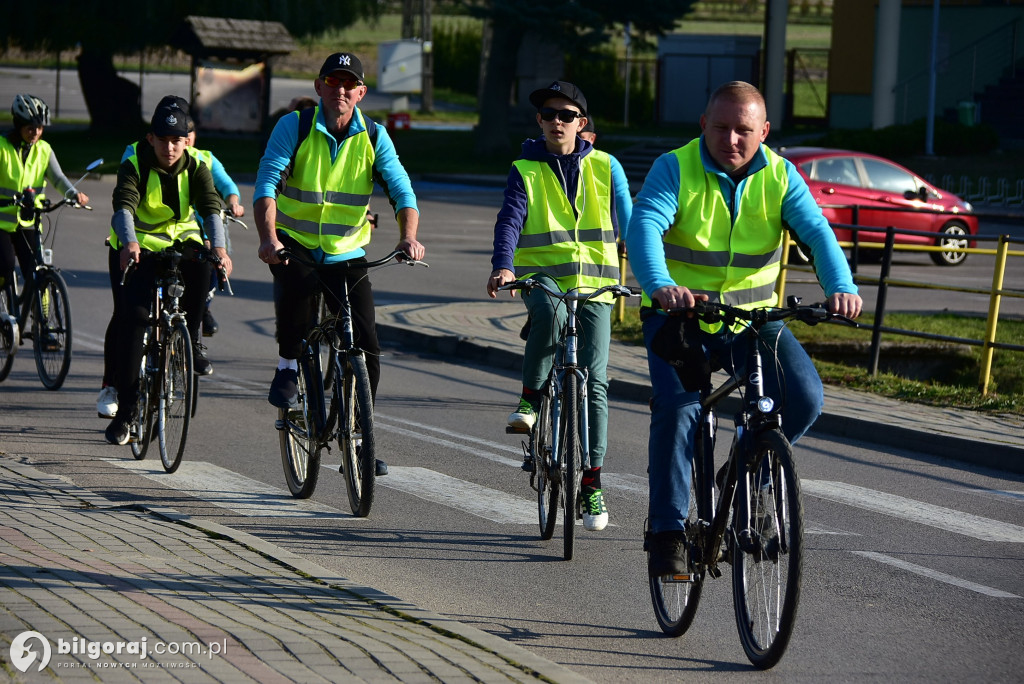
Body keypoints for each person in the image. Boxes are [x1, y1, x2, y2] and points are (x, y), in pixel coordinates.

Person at [625, 81, 863, 576]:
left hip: (750, 320)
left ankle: (747, 469)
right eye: (721, 128)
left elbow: (817, 231)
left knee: (804, 398)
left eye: (744, 131)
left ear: (765, 132)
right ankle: (667, 531)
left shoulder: (780, 174)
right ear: (703, 125)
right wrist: (661, 284)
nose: (731, 139)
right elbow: (645, 225)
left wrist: (841, 285)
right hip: (680, 316)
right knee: (680, 407)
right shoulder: (676, 166)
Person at [254, 52, 424, 476]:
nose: (341, 91)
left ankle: (359, 437)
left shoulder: (375, 136)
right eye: (333, 82)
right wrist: (268, 239)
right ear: (319, 87)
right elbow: (267, 183)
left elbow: (402, 191)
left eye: (350, 85)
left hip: (347, 252)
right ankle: (288, 364)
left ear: (361, 93)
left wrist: (408, 238)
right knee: (297, 296)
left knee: (367, 344)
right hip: (294, 245)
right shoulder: (292, 127)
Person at [486, 81, 628, 532]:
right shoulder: (524, 168)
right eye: (549, 114)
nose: (556, 122)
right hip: (542, 279)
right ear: (540, 121)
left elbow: (630, 220)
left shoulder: (607, 167)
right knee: (547, 315)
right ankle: (529, 402)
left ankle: (591, 483)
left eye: (566, 115)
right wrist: (504, 266)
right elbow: (510, 218)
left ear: (581, 124)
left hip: (598, 287)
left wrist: (656, 276)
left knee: (597, 380)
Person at [96, 96, 242, 418]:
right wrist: (130, 242)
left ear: (187, 140)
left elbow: (210, 208)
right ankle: (125, 405)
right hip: (138, 245)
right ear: (151, 138)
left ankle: (187, 342)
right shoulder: (135, 160)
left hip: (180, 241)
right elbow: (123, 207)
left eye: (177, 140)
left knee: (203, 267)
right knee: (131, 317)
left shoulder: (198, 166)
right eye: (163, 140)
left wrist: (219, 249)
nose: (171, 147)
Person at [1, 94, 89, 305]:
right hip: (2, 223)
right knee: (4, 265)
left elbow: (58, 178)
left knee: (39, 271)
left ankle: (46, 327)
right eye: (31, 128)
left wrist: (73, 194)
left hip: (29, 221)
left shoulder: (44, 150)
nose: (36, 133)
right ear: (18, 125)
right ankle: (8, 312)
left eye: (40, 128)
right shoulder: (2, 148)